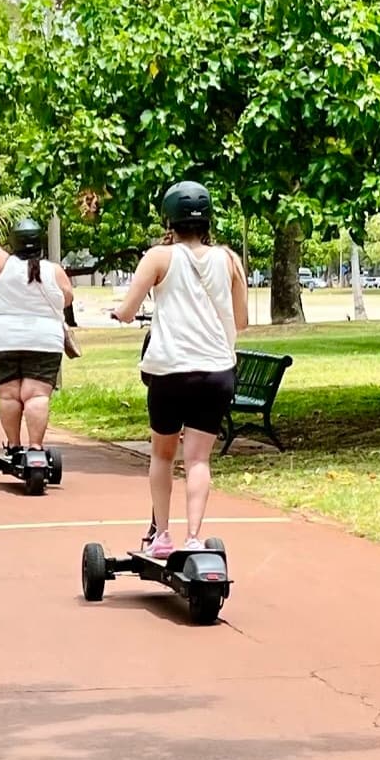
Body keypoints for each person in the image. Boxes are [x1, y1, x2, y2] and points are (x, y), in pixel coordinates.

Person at [110, 181, 248, 558]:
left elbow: (126, 309)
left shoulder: (158, 257)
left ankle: (163, 535)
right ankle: (193, 537)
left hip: (170, 372)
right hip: (217, 371)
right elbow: (242, 320)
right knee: (199, 458)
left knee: (163, 455)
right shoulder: (230, 260)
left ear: (170, 219)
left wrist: (119, 314)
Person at [0, 181, 74, 460]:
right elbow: (67, 298)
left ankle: (14, 447)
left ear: (13, 242)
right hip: (44, 341)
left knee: (10, 396)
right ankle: (36, 450)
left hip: (2, 340)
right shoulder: (54, 271)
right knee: (37, 396)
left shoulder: (0, 264)